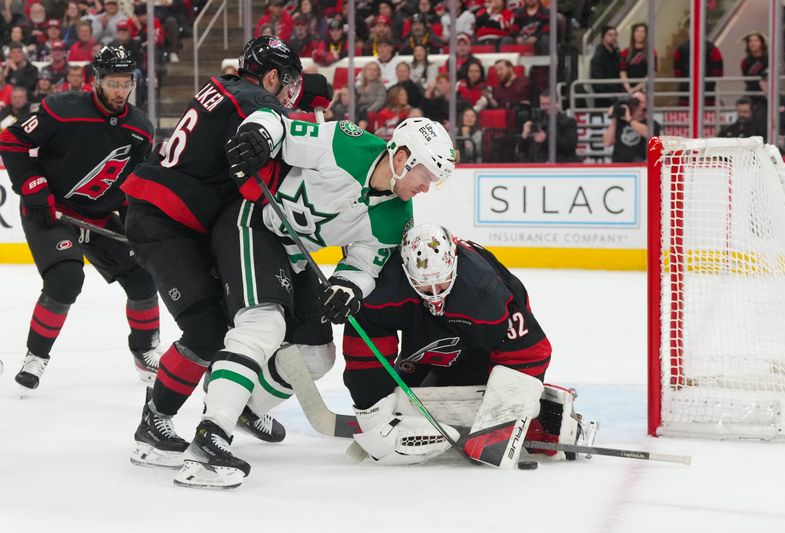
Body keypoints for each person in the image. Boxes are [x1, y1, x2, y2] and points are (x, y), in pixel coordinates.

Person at [173, 117, 458, 489]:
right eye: (426, 176)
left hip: (294, 256)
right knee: (263, 324)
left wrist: (347, 288)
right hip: (253, 223)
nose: (426, 187)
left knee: (316, 356)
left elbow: (363, 266)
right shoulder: (346, 143)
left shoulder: (398, 218)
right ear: (403, 158)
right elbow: (279, 126)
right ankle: (210, 438)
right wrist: (259, 135)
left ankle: (245, 406)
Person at [121, 37, 323, 467]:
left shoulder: (226, 87)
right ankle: (155, 421)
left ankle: (232, 403)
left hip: (174, 216)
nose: (289, 92)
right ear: (272, 76)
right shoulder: (256, 100)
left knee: (234, 321)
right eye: (287, 82)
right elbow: (270, 127)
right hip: (165, 221)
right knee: (206, 330)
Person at [341, 224, 575, 466]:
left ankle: (539, 421)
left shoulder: (483, 292)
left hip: (480, 335)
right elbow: (365, 342)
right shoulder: (387, 285)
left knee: (477, 377)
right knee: (405, 383)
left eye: (441, 283)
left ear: (453, 263)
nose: (434, 294)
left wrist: (503, 419)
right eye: (424, 285)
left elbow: (531, 352)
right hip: (425, 324)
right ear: (406, 270)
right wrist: (371, 406)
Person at [0, 46, 160, 392]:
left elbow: (132, 186)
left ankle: (145, 350)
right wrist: (33, 187)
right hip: (50, 210)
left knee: (143, 277)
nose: (120, 91)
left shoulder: (141, 129)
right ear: (97, 81)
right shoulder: (63, 109)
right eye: (113, 83)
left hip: (98, 218)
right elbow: (11, 140)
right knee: (66, 277)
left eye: (126, 83)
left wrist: (136, 224)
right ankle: (35, 356)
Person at [518, 90, 578, 163]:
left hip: (561, 165)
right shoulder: (536, 122)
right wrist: (524, 136)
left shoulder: (568, 122)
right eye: (543, 104)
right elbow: (522, 150)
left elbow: (570, 145)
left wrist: (546, 139)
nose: (545, 107)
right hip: (538, 165)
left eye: (548, 104)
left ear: (557, 103)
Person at [602, 90, 661, 163]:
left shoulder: (652, 124)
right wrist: (615, 117)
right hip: (619, 165)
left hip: (639, 166)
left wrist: (629, 119)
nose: (635, 104)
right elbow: (607, 142)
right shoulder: (620, 122)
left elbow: (648, 134)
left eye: (638, 102)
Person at [590, 25, 622, 109]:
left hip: (616, 95)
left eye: (615, 35)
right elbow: (597, 81)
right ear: (603, 37)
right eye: (610, 35)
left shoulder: (617, 54)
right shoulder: (598, 56)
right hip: (604, 99)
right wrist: (608, 96)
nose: (613, 37)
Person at [619, 23, 656, 94]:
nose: (640, 34)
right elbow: (623, 71)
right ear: (633, 34)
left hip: (645, 90)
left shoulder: (651, 52)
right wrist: (628, 88)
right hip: (628, 90)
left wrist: (636, 88)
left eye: (643, 31)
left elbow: (652, 73)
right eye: (637, 31)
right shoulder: (625, 52)